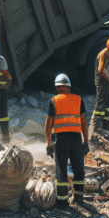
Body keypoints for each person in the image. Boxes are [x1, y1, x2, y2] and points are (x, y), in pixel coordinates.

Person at [44, 74, 89, 209]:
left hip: (61, 140)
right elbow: (83, 122)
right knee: (79, 170)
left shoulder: (54, 100)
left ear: (57, 87)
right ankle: (79, 198)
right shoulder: (78, 100)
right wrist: (86, 141)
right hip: (76, 139)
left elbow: (48, 124)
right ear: (68, 86)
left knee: (61, 172)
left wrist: (48, 144)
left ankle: (63, 202)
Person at [92, 37, 109, 132]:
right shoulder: (103, 54)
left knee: (108, 103)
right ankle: (96, 126)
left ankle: (106, 124)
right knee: (101, 103)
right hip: (102, 80)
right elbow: (101, 71)